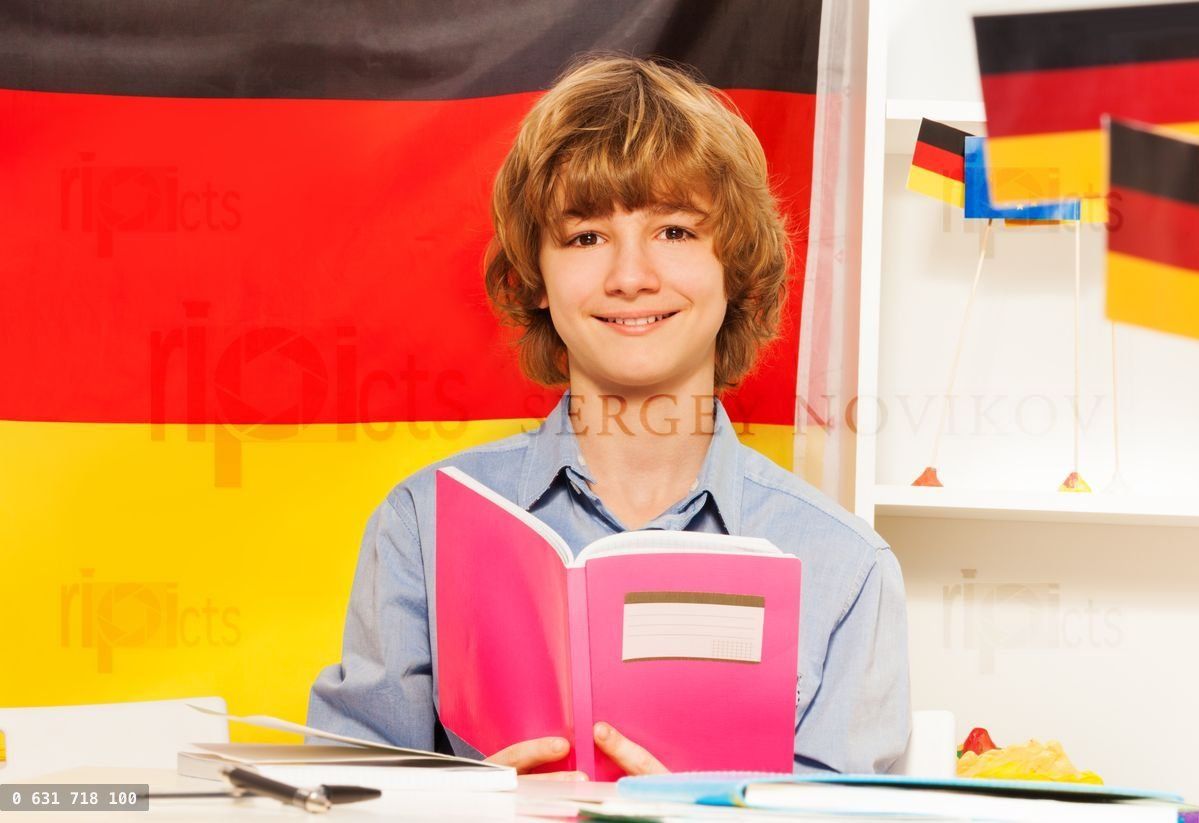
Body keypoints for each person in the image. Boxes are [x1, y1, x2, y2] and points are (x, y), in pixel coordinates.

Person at [308, 54, 910, 777]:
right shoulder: (420, 523)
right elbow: (340, 799)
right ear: (534, 277)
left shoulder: (847, 567)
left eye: (676, 231)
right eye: (585, 236)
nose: (630, 276)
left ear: (737, 266)